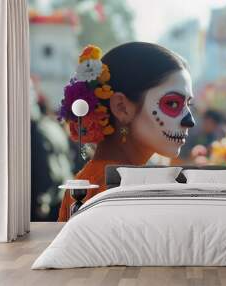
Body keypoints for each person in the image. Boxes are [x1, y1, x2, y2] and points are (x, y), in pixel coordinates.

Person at [58, 42, 195, 221]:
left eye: (188, 104)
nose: (190, 121)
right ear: (121, 107)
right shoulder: (115, 189)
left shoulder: (95, 180)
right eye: (172, 103)